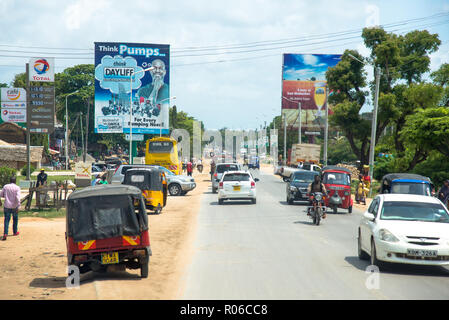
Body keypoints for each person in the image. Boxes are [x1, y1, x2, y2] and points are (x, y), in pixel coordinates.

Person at [0, 176, 21, 241]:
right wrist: (19, 205)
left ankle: (5, 233)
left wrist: (0, 201)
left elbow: (1, 194)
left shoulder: (5, 186)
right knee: (15, 219)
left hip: (7, 205)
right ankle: (15, 232)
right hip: (14, 206)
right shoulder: (17, 187)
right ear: (15, 181)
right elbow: (17, 197)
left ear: (10, 181)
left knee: (6, 220)